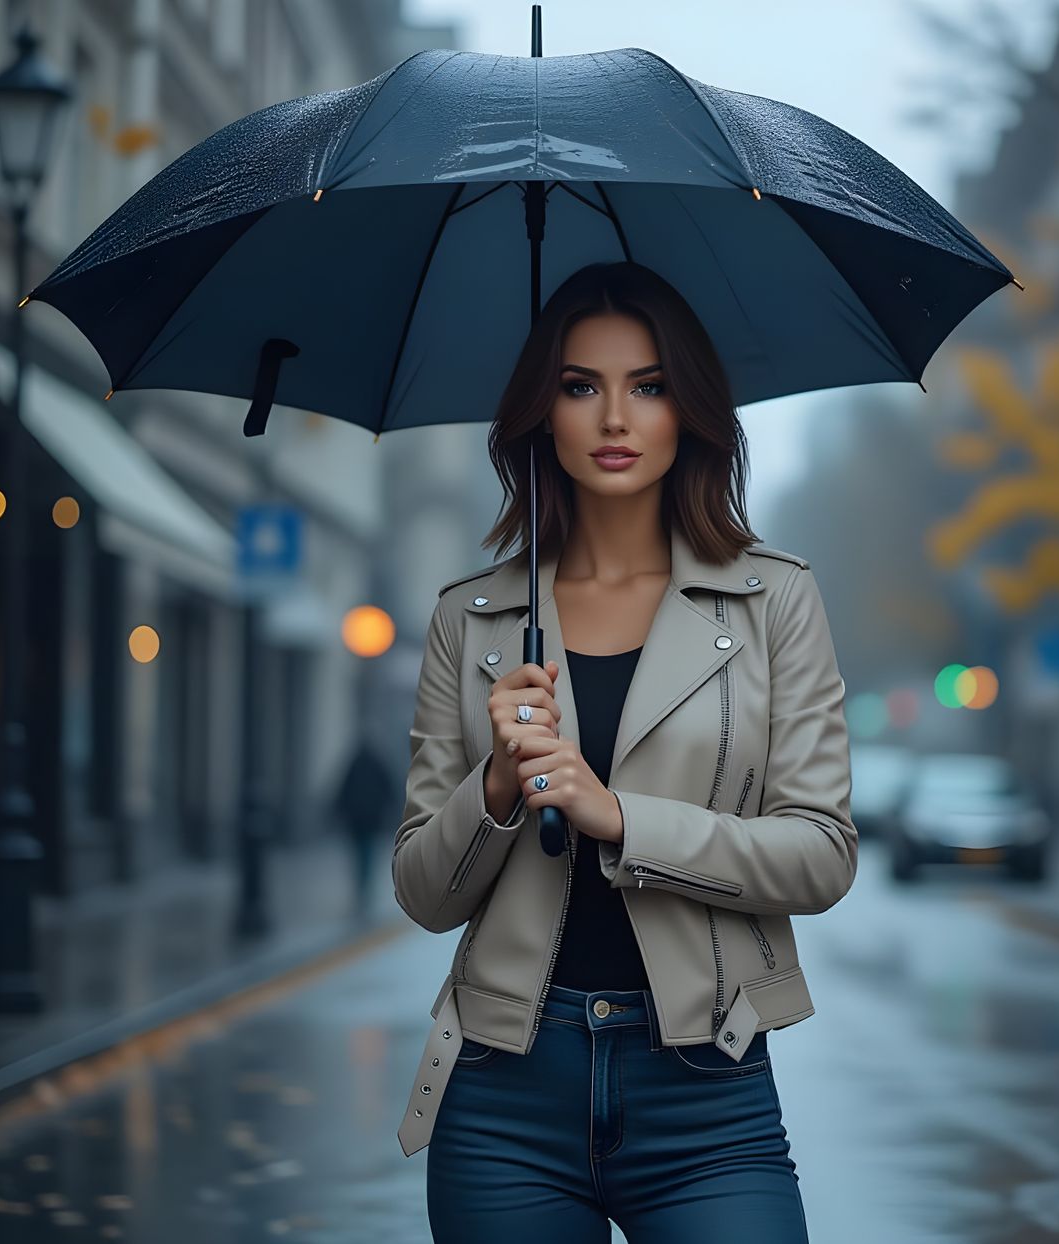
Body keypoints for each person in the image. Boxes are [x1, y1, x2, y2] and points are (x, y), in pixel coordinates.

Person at [391, 261, 856, 1242]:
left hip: (707, 1088)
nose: (614, 417)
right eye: (579, 385)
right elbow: (423, 894)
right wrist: (497, 788)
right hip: (503, 1090)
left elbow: (821, 854)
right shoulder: (469, 621)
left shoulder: (773, 601)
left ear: (687, 409)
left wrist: (621, 819)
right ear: (540, 414)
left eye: (646, 385)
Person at [332, 731, 395, 916]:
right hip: (371, 818)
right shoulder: (378, 764)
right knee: (367, 851)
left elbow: (343, 788)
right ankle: (365, 884)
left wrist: (338, 810)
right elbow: (389, 788)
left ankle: (361, 884)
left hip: (356, 819)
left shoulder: (354, 764)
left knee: (359, 851)